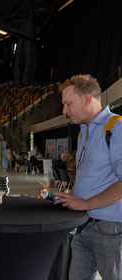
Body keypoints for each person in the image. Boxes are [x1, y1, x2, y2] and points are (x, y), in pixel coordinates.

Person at [54, 74, 122, 280]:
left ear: (87, 99)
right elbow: (86, 175)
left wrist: (85, 203)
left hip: (109, 227)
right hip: (84, 224)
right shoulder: (84, 131)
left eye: (68, 104)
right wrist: (70, 196)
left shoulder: (116, 128)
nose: (64, 111)